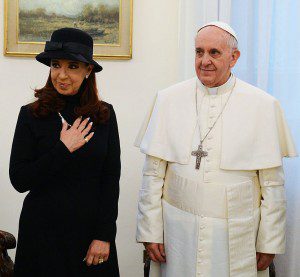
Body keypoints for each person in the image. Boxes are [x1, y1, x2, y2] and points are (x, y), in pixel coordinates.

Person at [135, 22, 297, 277]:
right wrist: (150, 230)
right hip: (178, 232)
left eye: (214, 52)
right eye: (199, 52)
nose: (204, 61)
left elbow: (272, 185)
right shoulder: (168, 99)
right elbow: (153, 175)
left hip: (237, 236)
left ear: (234, 58)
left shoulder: (263, 105)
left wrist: (270, 241)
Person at [9, 28, 120, 276]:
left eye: (72, 66)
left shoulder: (104, 115)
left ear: (88, 70)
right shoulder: (31, 114)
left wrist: (104, 235)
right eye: (56, 65)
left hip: (90, 235)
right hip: (42, 236)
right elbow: (19, 179)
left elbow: (110, 179)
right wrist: (62, 149)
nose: (61, 75)